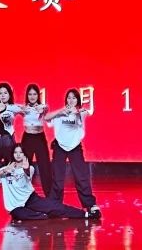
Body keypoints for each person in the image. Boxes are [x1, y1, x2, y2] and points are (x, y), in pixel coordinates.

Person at [0, 144, 98, 221]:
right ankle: (42, 214)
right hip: (16, 207)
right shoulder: (5, 169)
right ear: (12, 154)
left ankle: (86, 214)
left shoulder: (29, 168)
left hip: (31, 199)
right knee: (22, 215)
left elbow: (28, 173)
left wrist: (25, 168)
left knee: (57, 207)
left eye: (21, 152)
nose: (18, 155)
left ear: (24, 154)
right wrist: (5, 170)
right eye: (15, 152)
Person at [45, 89, 101, 217]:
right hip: (59, 147)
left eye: (74, 98)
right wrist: (61, 112)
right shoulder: (60, 114)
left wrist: (76, 112)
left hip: (75, 147)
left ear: (78, 100)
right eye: (69, 98)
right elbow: (46, 118)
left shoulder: (81, 113)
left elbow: (88, 112)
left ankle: (90, 205)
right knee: (57, 177)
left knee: (81, 177)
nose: (71, 100)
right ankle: (54, 205)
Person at [18, 84, 54, 194]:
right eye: (30, 94)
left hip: (39, 138)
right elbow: (13, 108)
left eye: (34, 94)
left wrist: (43, 109)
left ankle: (49, 195)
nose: (32, 96)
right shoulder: (24, 108)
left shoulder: (42, 107)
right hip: (27, 138)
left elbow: (46, 109)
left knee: (45, 166)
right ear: (27, 95)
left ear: (38, 95)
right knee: (24, 165)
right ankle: (23, 193)